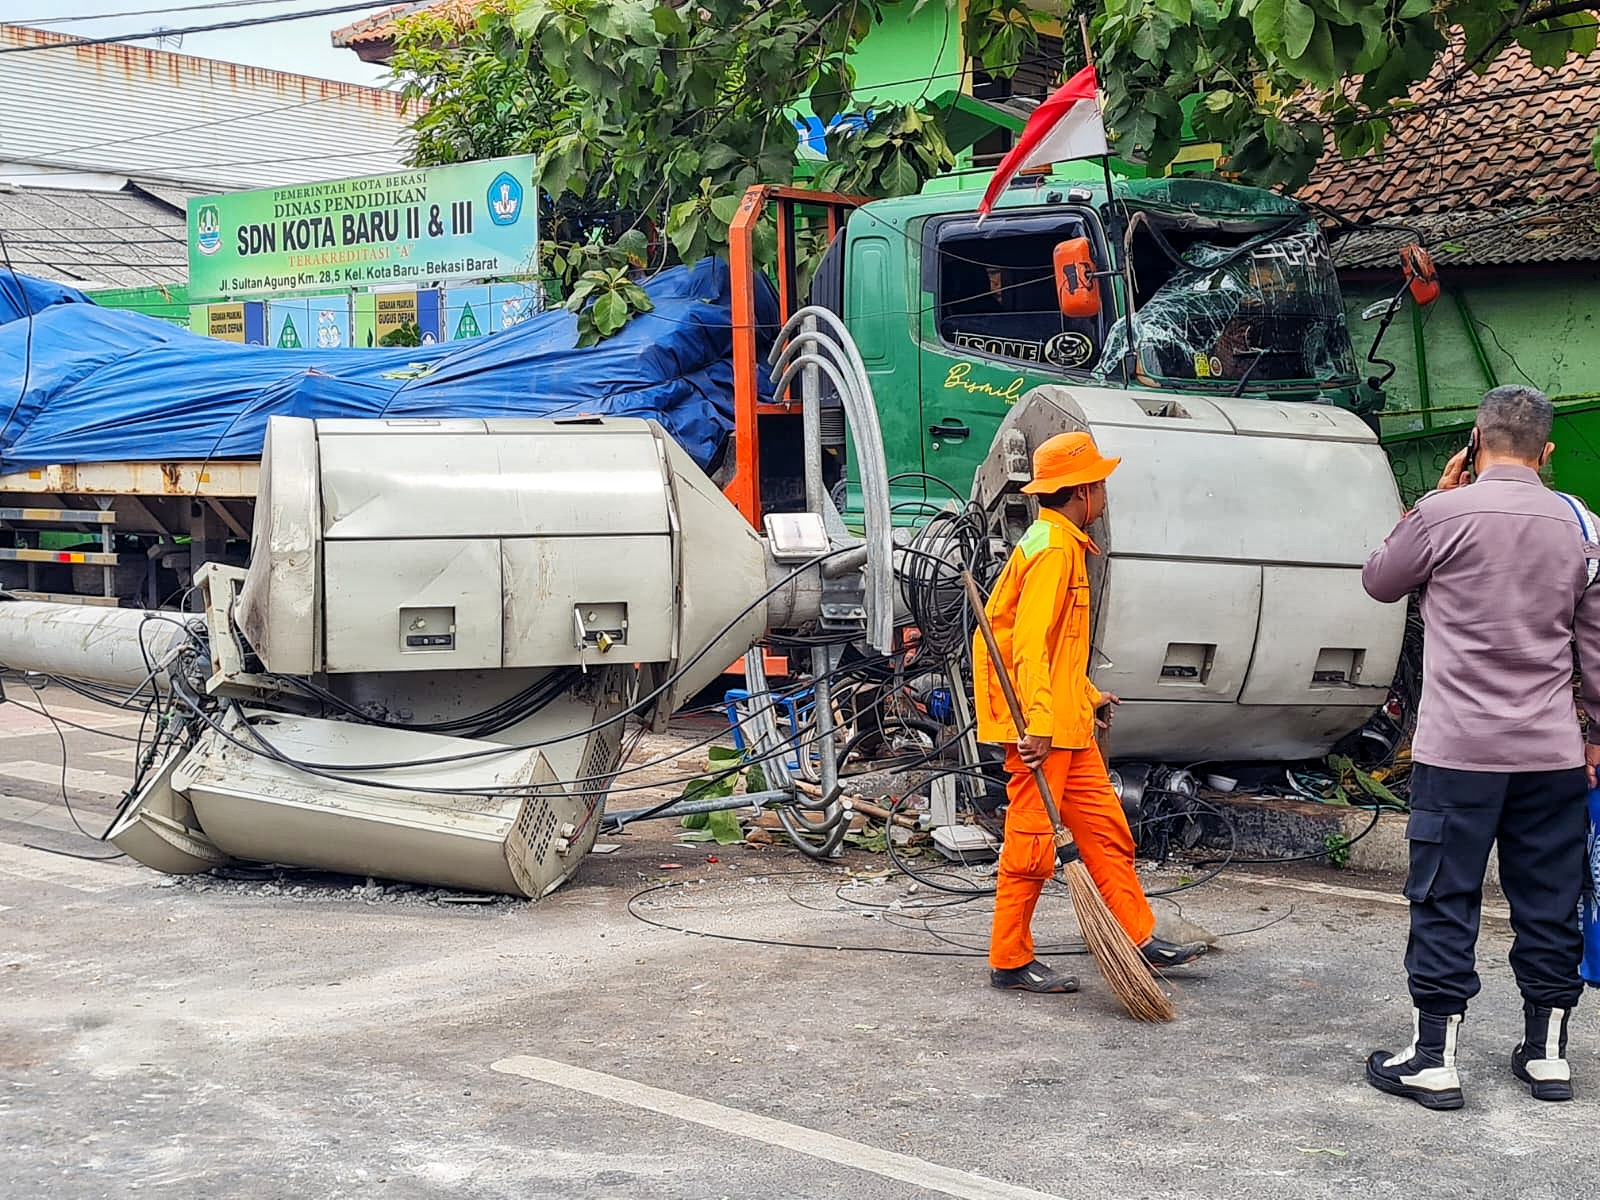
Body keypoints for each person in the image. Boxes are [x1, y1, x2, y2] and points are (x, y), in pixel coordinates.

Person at [1361, 384, 1600, 1108]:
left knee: (1444, 897)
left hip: (1457, 754)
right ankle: (1548, 1057)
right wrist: (1594, 736)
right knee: (1551, 900)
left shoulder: (1442, 515)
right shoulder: (1583, 526)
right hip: (1551, 756)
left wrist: (1432, 500)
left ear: (1475, 439)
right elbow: (1596, 653)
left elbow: (1380, 580)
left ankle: (1434, 1059)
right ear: (1545, 451)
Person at [973, 430, 1210, 994]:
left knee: (1105, 833)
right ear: (1082, 492)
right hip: (1043, 729)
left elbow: (1056, 650)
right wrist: (1039, 724)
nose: (1104, 494)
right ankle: (1010, 959)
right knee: (1032, 844)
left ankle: (1137, 936)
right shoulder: (1053, 551)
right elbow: (1028, 646)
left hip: (1064, 723)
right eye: (1100, 485)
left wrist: (1085, 695)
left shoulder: (1058, 542)